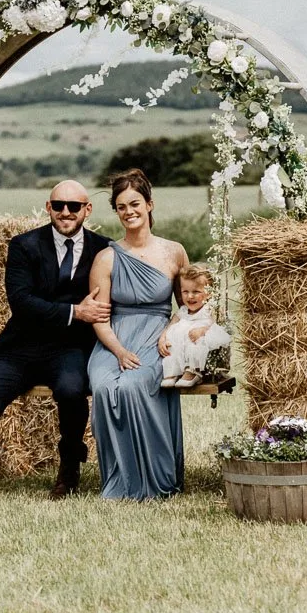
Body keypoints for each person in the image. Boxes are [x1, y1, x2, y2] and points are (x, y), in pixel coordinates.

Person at [0, 180, 113, 505]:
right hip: (20, 347)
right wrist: (75, 311)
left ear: (87, 210)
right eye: (59, 205)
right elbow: (21, 301)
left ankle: (68, 471)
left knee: (71, 390)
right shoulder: (24, 245)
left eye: (74, 206)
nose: (66, 212)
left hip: (70, 349)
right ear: (48, 207)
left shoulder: (104, 249)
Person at [87, 169, 189, 500]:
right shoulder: (106, 257)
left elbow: (190, 305)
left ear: (149, 204)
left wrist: (172, 329)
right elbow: (99, 317)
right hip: (114, 340)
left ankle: (155, 477)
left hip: (157, 338)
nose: (129, 212)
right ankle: (120, 479)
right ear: (116, 212)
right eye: (121, 207)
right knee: (104, 387)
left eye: (135, 204)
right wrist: (116, 351)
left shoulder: (174, 252)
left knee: (133, 385)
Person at [158, 262, 232, 387]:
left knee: (199, 339)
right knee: (173, 333)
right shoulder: (182, 311)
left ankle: (193, 370)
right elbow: (171, 325)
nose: (190, 296)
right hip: (181, 346)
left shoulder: (210, 309)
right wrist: (163, 337)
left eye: (196, 291)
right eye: (185, 291)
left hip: (199, 342)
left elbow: (221, 327)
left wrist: (203, 330)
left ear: (209, 292)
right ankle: (173, 371)